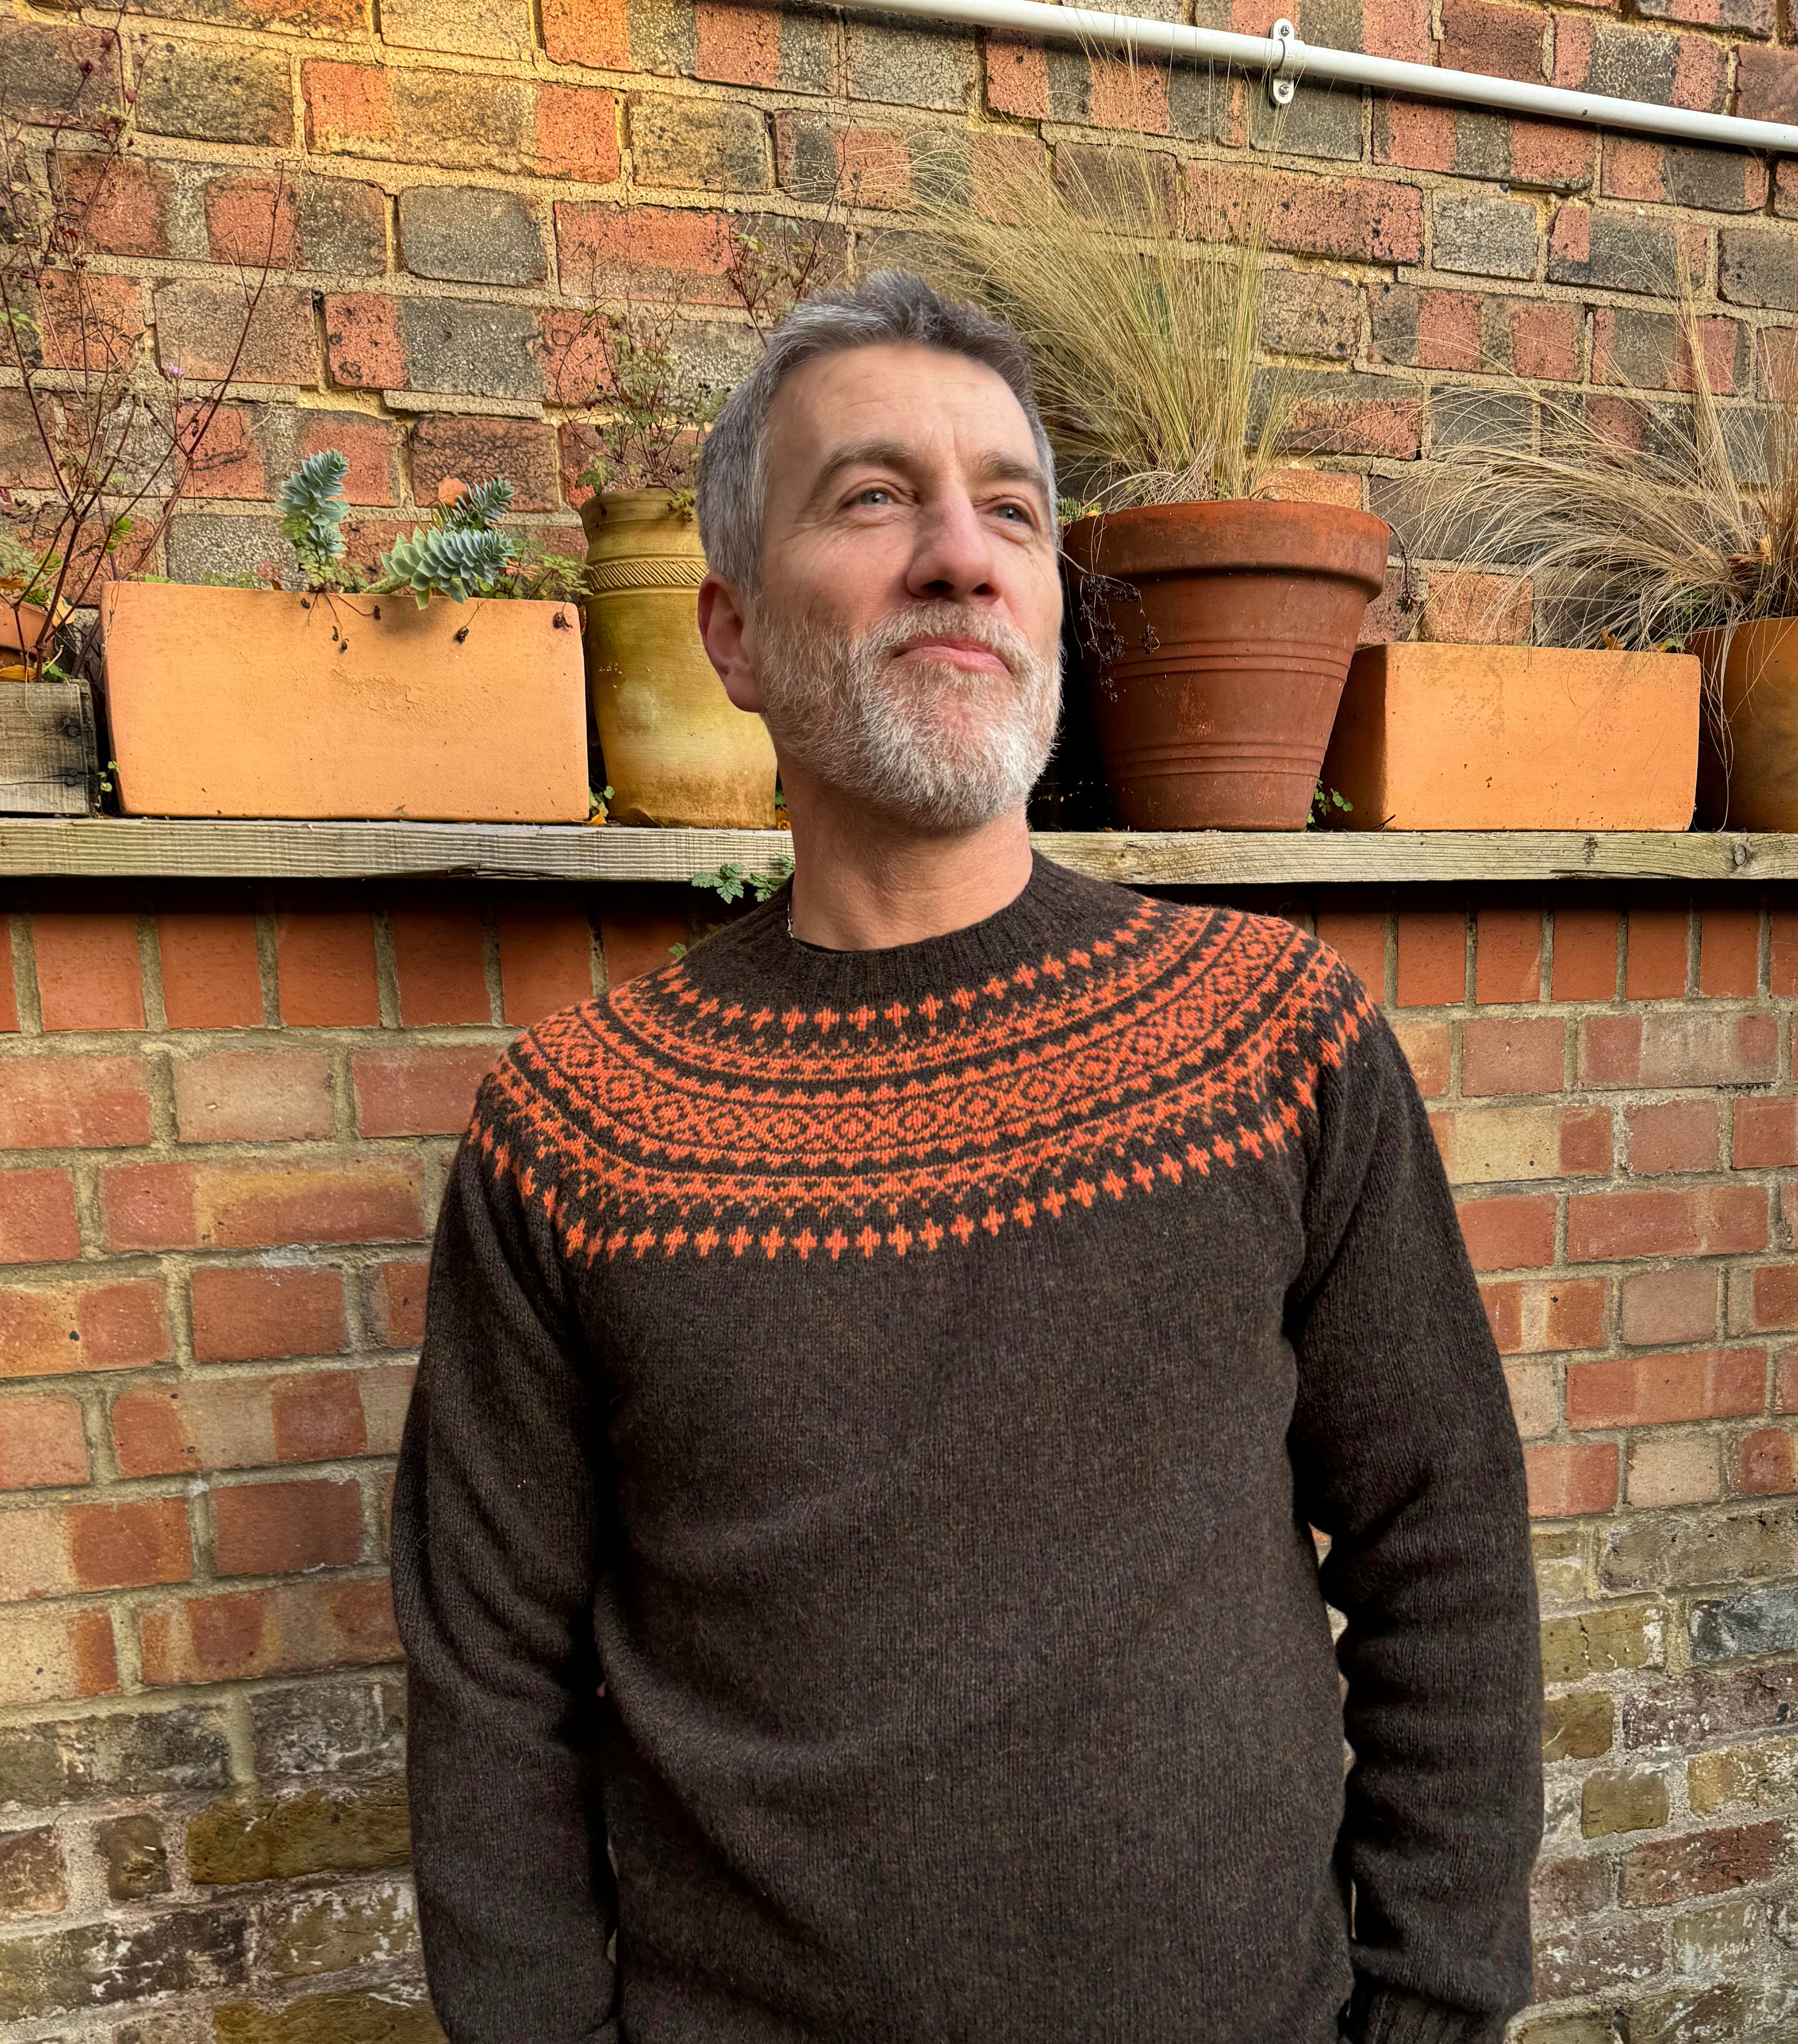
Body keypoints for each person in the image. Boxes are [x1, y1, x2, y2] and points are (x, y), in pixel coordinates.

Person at [391, 269, 1544, 2044]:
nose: (958, 550)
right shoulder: (577, 1128)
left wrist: (1432, 2005)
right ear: (731, 630)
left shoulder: (1271, 1036)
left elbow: (1440, 1543)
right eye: (870, 498)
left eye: (1007, 506)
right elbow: (487, 1690)